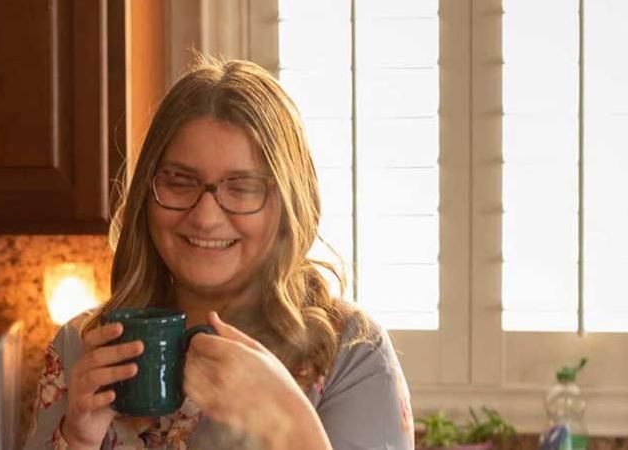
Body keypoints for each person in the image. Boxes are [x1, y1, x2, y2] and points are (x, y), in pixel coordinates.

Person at [26, 57, 415, 450]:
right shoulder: (82, 348)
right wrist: (76, 440)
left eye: (242, 187)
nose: (205, 217)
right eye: (179, 181)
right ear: (147, 192)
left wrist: (290, 423)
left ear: (288, 205)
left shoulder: (350, 352)